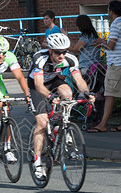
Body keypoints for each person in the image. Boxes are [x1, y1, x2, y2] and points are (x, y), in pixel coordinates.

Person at [28, 33, 94, 180]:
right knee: (42, 123)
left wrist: (87, 93)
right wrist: (50, 96)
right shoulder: (40, 58)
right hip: (37, 85)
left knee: (68, 94)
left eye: (64, 51)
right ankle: (37, 161)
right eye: (58, 52)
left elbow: (79, 80)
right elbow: (39, 85)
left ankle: (60, 125)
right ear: (51, 50)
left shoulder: (70, 59)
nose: (61, 55)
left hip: (54, 80)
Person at [90, 0, 121, 132]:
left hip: (116, 64)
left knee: (109, 94)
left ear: (111, 11)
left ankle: (102, 124)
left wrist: (102, 42)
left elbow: (111, 46)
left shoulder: (115, 25)